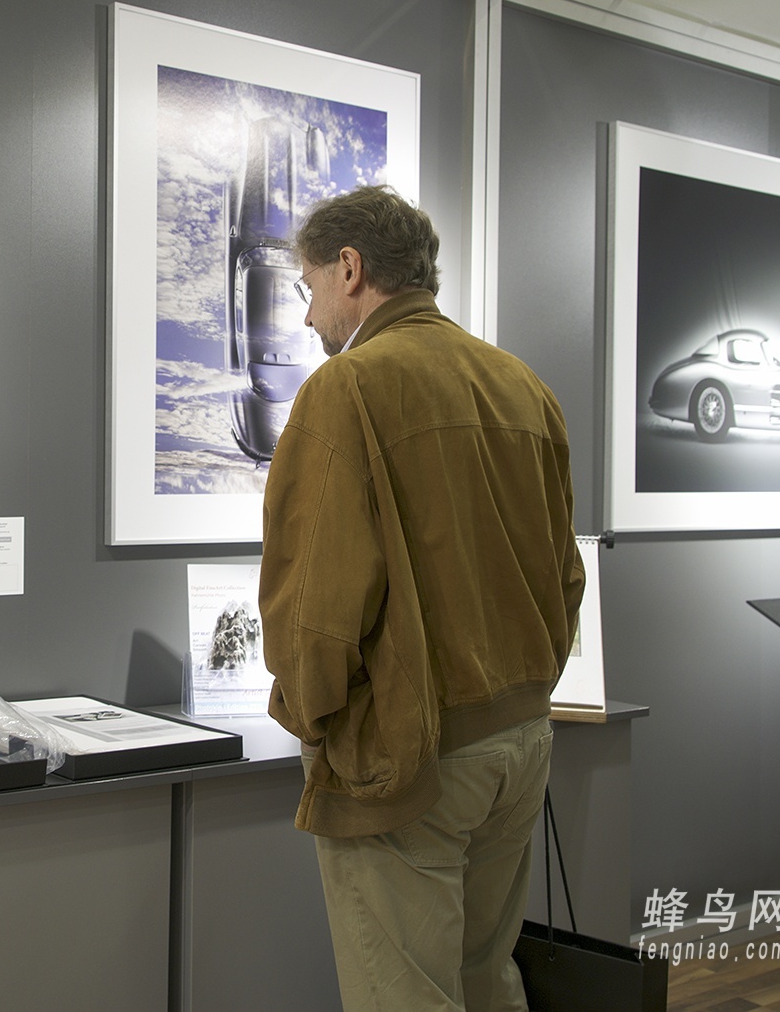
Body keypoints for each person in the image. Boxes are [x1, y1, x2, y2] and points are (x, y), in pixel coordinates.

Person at [259, 185, 585, 1012]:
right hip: (519, 740)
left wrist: (314, 717)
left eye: (308, 289)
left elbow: (314, 603)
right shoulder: (521, 384)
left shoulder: (347, 389)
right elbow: (565, 575)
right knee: (488, 980)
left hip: (409, 755)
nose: (306, 318)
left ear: (351, 268)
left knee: (404, 997)